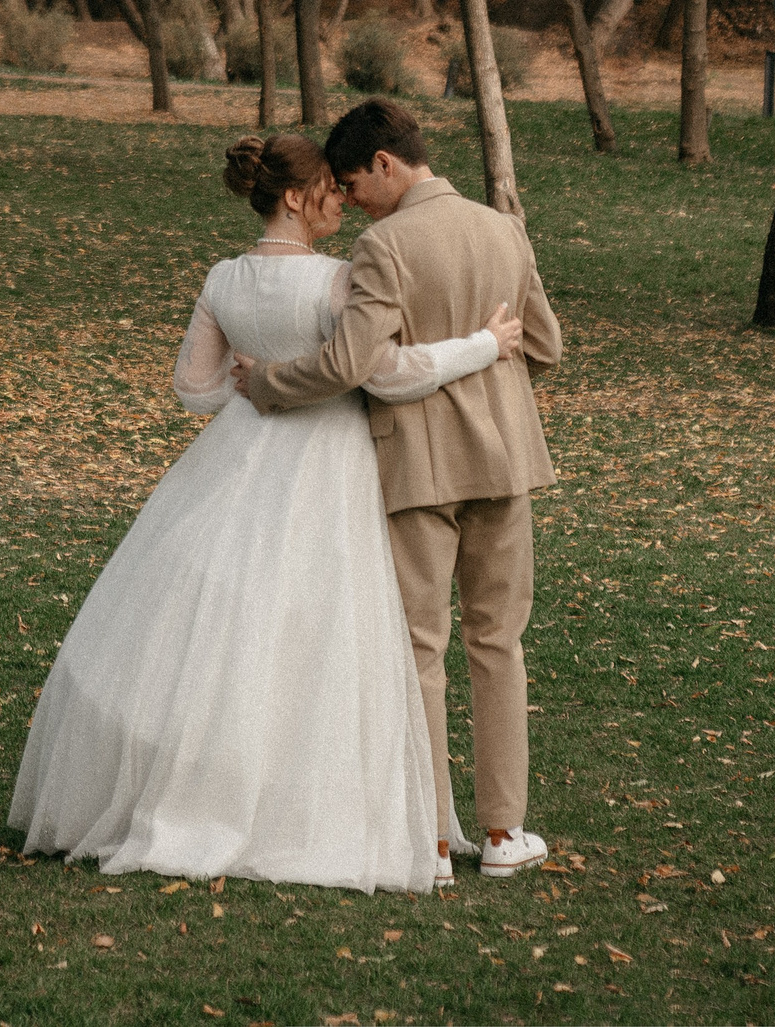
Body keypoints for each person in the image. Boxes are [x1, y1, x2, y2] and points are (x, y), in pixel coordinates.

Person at [10, 132, 521, 893]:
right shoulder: (337, 279)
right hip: (328, 458)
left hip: (238, 455)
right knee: (319, 628)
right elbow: (383, 374)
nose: (340, 198)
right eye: (328, 187)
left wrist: (250, 389)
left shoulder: (223, 278)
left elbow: (193, 386)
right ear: (294, 196)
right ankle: (306, 802)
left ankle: (211, 784)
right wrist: (480, 345)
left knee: (229, 626)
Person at [234, 98, 562, 881]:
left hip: (420, 467)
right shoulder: (502, 228)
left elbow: (349, 362)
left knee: (422, 649)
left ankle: (433, 839)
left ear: (386, 163)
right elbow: (544, 347)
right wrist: (489, 349)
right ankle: (506, 831)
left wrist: (268, 382)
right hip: (508, 463)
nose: (347, 202)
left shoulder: (385, 247)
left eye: (352, 183)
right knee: (498, 643)